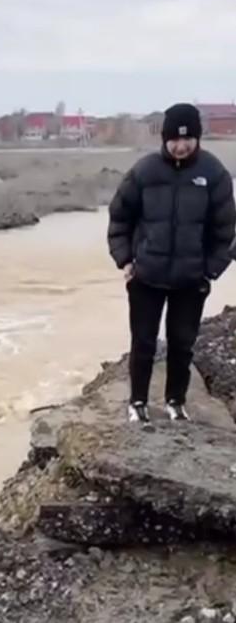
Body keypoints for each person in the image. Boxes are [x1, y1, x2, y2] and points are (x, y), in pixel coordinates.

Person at [108, 102, 236, 423]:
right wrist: (125, 260)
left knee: (182, 345)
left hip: (191, 281)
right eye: (174, 140)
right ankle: (137, 402)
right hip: (146, 277)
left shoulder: (214, 174)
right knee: (143, 343)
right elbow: (119, 218)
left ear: (197, 138)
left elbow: (227, 233)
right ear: (164, 139)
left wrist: (211, 271)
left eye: (188, 139)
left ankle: (175, 401)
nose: (181, 146)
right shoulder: (144, 171)